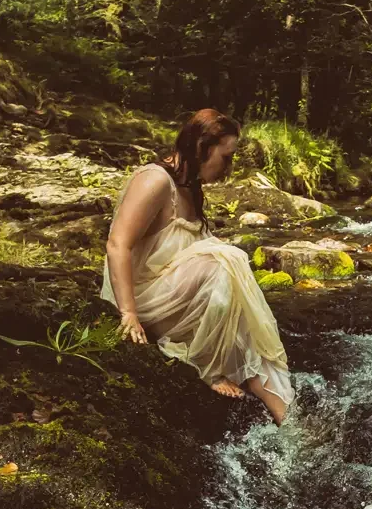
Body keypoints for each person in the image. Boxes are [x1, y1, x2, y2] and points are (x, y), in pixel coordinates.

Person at [102, 108, 293, 425]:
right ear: (202, 146)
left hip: (177, 296)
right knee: (226, 260)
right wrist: (128, 313)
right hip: (144, 300)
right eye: (226, 156)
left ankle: (287, 418)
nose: (228, 167)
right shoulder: (155, 181)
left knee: (246, 333)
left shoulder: (190, 187)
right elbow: (117, 244)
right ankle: (206, 366)